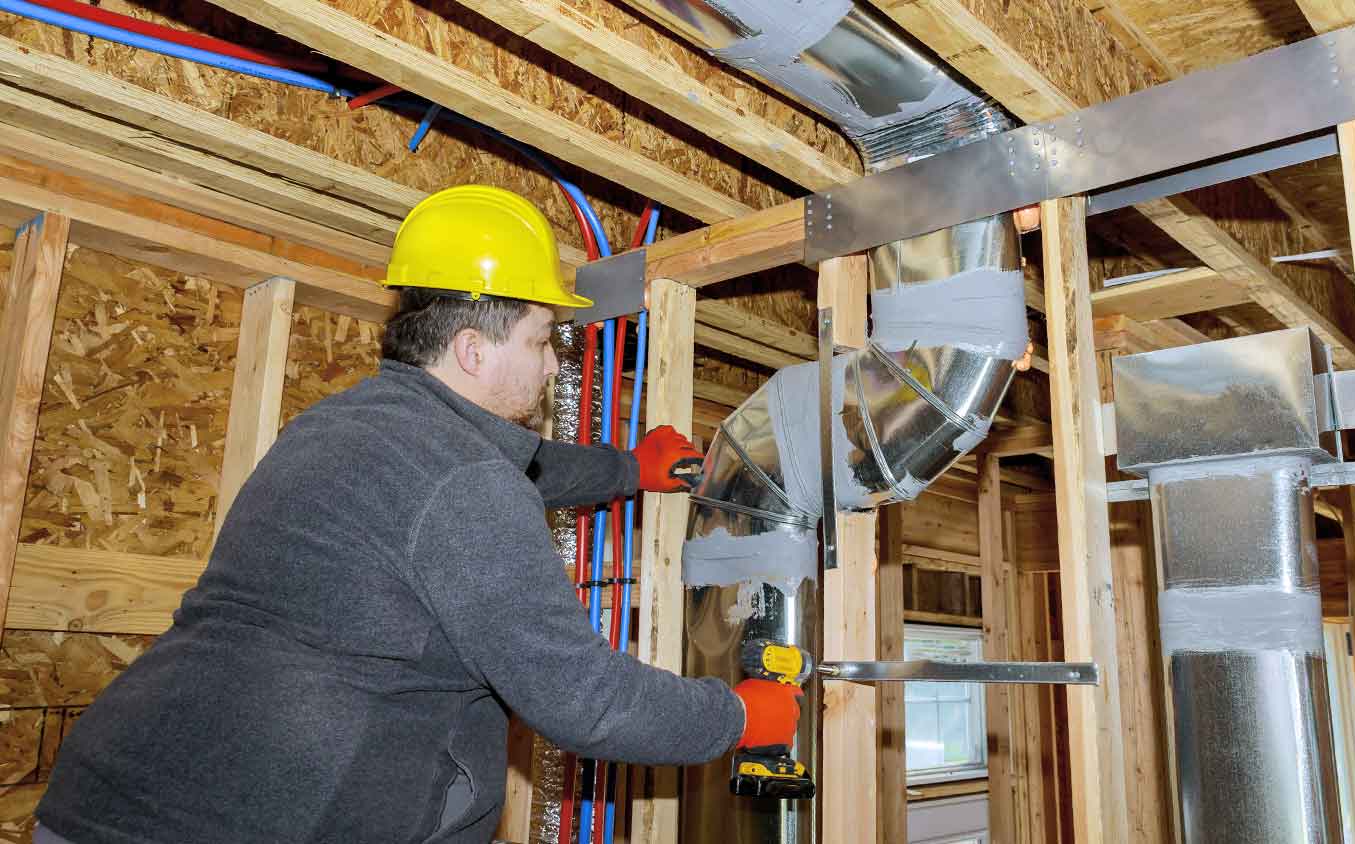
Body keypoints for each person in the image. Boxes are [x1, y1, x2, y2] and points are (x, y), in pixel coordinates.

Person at [34, 186, 802, 844]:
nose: (551, 365)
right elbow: (584, 700)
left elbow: (506, 473)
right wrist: (736, 716)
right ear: (473, 350)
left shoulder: (341, 426)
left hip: (113, 795)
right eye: (541, 341)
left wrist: (628, 469)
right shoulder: (464, 483)